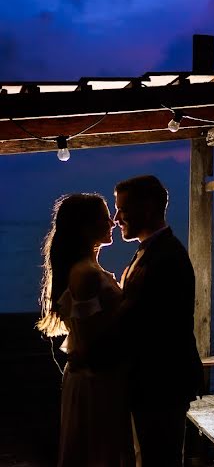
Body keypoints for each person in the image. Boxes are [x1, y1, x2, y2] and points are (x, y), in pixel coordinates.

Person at [37, 193, 135, 467]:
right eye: (104, 217)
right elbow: (90, 342)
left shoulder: (88, 269)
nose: (112, 222)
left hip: (98, 379)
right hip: (96, 383)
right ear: (85, 227)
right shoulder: (85, 274)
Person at [114, 175, 203, 465]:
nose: (116, 218)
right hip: (153, 384)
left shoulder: (166, 258)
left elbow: (143, 322)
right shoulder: (152, 251)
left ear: (148, 208)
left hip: (160, 385)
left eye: (122, 210)